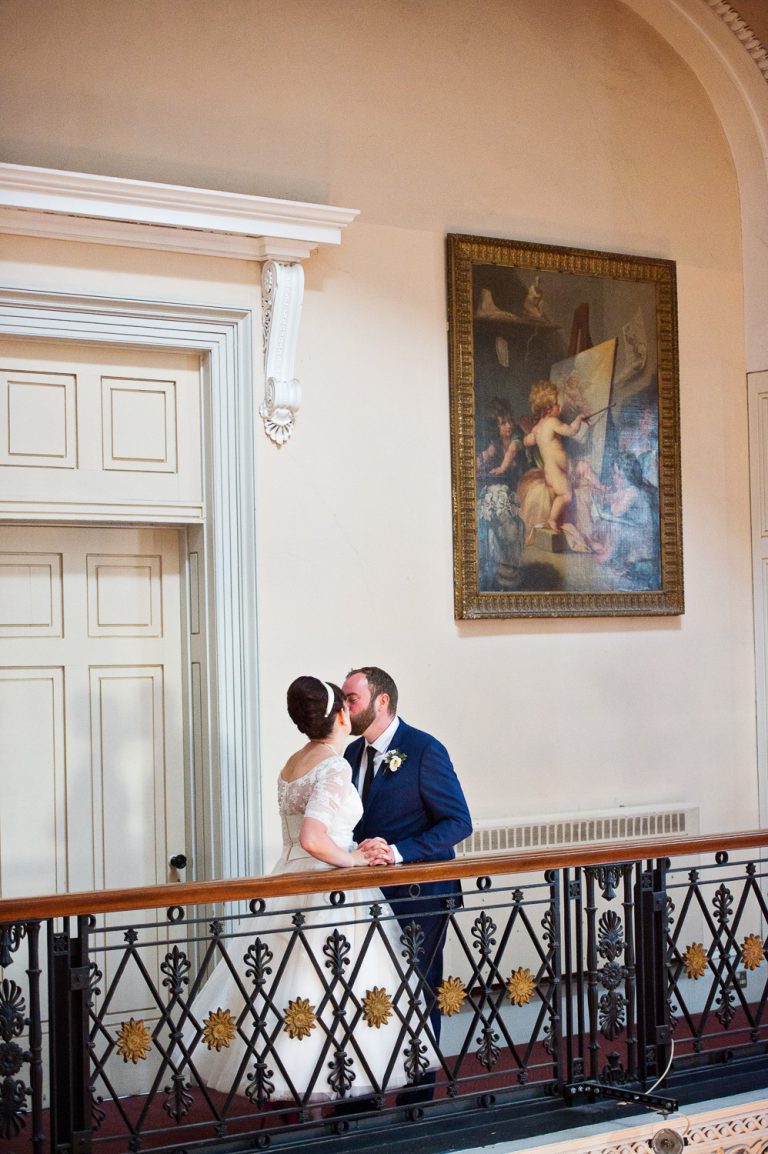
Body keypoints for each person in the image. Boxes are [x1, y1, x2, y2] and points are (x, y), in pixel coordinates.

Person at [186, 676, 436, 1106]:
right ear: (340, 715)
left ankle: (311, 1091)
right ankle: (335, 1090)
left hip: (289, 881)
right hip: (328, 889)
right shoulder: (335, 765)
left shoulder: (294, 761)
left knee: (299, 986)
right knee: (339, 990)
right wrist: (357, 860)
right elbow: (314, 838)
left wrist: (353, 847)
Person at [341, 667, 472, 1046]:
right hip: (368, 896)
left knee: (418, 988)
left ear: (382, 701)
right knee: (372, 991)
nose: (345, 709)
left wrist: (398, 853)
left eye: (352, 700)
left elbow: (458, 823)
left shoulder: (424, 749)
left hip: (420, 894)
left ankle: (420, 1090)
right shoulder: (352, 752)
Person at [522, 380, 585, 533]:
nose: (560, 407)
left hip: (550, 470)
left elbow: (527, 441)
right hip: (556, 470)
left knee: (565, 491)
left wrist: (532, 436)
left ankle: (555, 518)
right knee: (566, 495)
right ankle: (552, 519)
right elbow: (571, 431)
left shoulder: (538, 428)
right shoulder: (552, 422)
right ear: (547, 409)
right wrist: (579, 419)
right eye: (557, 403)